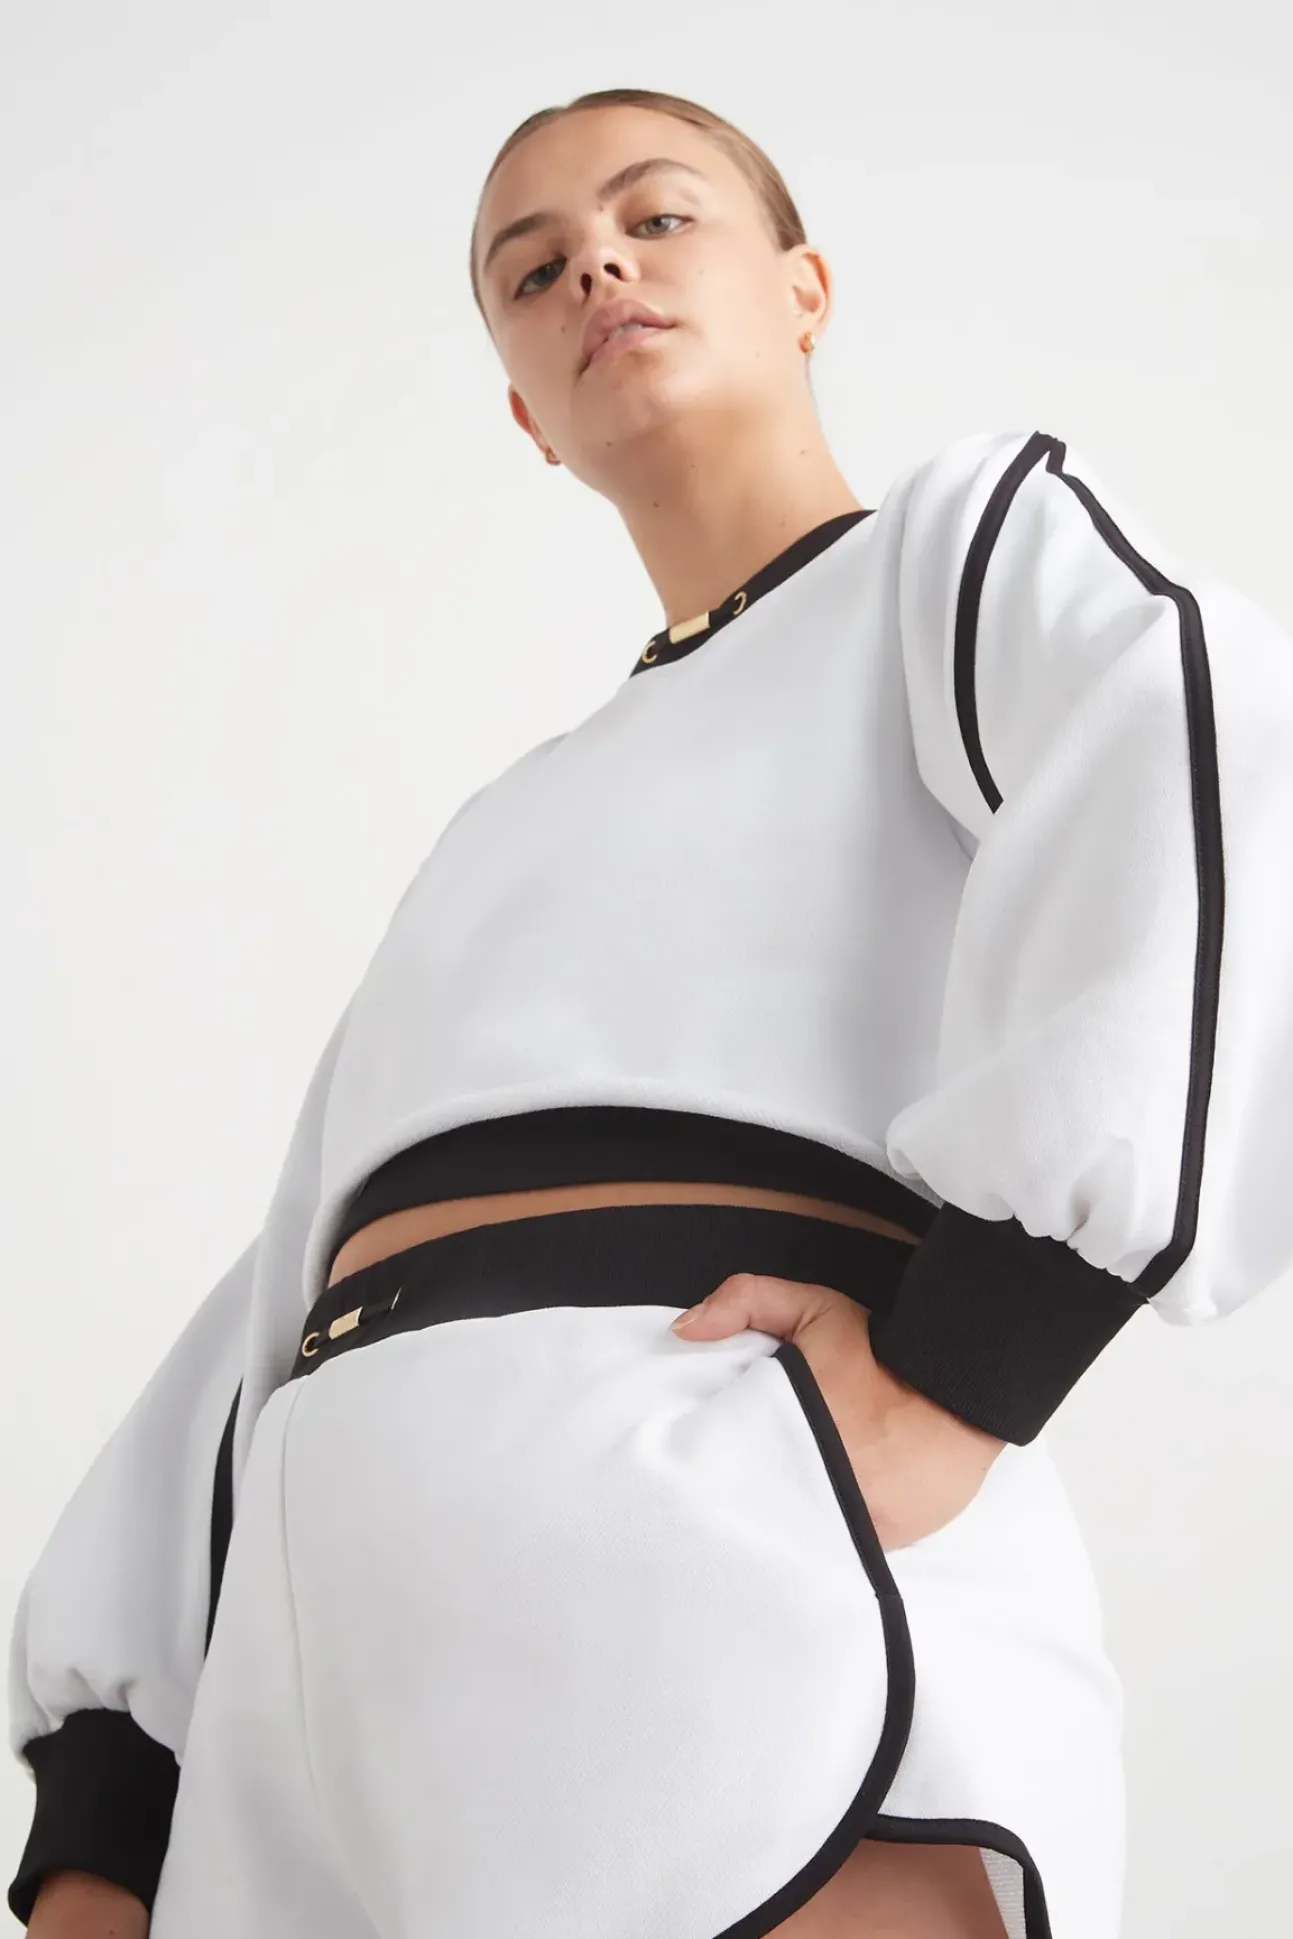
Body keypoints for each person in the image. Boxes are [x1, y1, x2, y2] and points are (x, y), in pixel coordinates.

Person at [10, 84, 1293, 1939]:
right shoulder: (501, 822)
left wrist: (972, 1361)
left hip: (740, 1577)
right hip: (329, 1718)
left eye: (656, 217)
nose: (595, 267)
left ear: (804, 287)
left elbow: (1201, 746)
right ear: (525, 416)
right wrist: (113, 1815)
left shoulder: (952, 553)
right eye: (530, 270)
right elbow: (290, 1272)